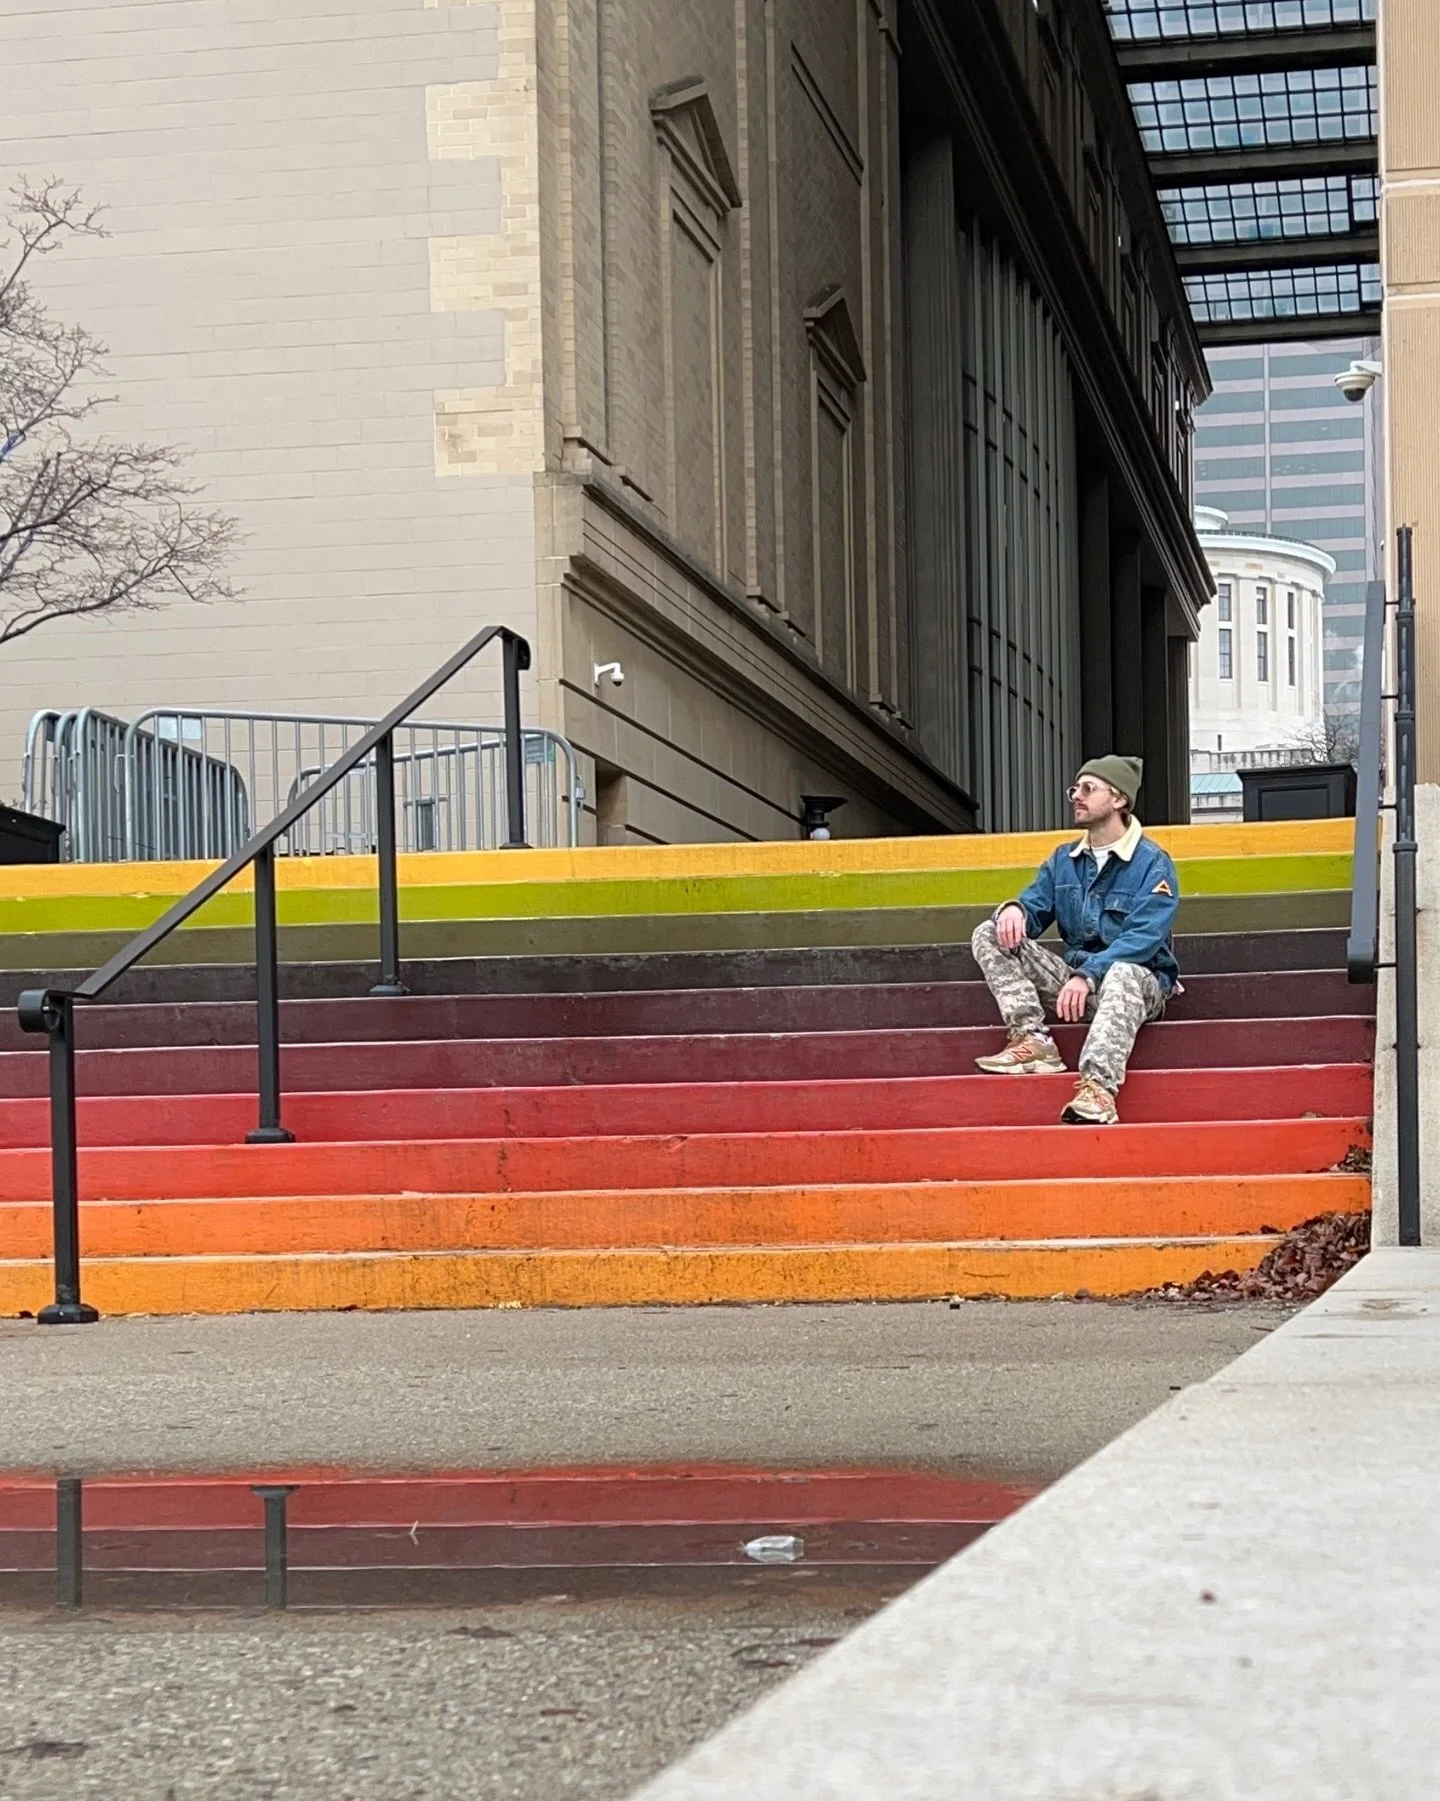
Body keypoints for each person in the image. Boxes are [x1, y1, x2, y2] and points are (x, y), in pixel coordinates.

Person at [969, 755, 1180, 1125]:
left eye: (1088, 788)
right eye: (1075, 789)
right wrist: (1015, 910)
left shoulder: (1152, 863)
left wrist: (1090, 974)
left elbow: (1144, 938)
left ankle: (1098, 1090)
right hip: (1076, 982)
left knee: (1124, 972)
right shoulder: (1064, 860)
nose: (1076, 797)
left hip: (1136, 985)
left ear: (1119, 800)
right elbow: (1034, 910)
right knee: (990, 931)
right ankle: (1033, 1040)